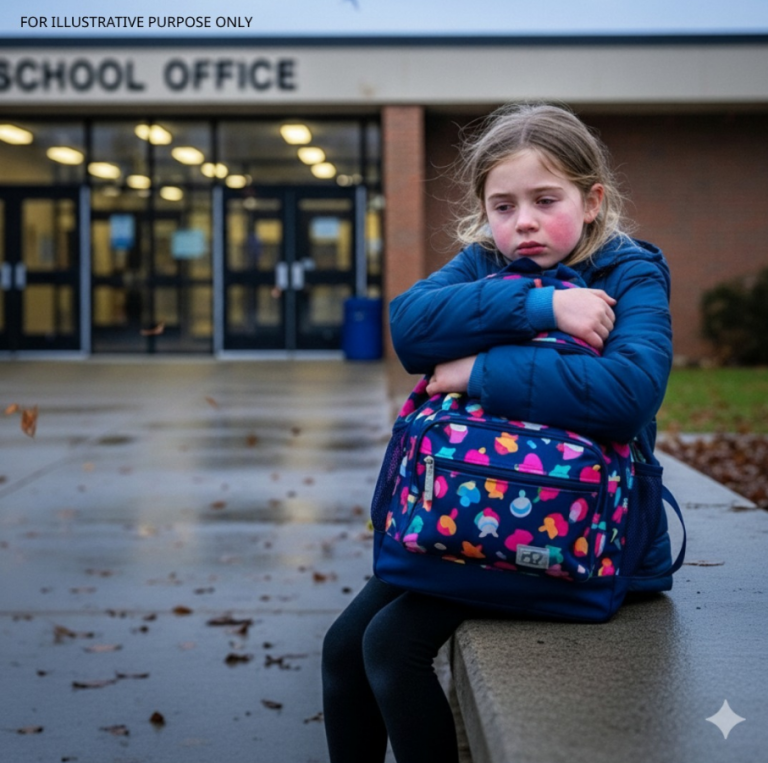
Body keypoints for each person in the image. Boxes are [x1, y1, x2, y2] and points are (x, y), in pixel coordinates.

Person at [322, 102, 674, 763]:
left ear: (592, 201)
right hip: (476, 502)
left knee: (390, 649)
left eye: (546, 200)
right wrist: (544, 305)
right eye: (503, 206)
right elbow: (410, 327)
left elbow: (627, 395)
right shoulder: (487, 260)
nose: (524, 222)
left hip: (583, 535)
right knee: (343, 651)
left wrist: (477, 369)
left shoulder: (630, 273)